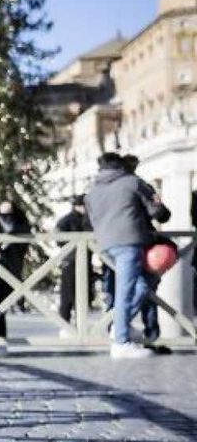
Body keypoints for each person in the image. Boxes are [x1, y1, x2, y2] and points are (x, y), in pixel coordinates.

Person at [85, 152, 170, 359]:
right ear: (121, 166)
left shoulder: (92, 191)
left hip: (105, 245)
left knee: (140, 285)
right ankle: (121, 342)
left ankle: (120, 326)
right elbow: (158, 213)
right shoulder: (133, 182)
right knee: (127, 290)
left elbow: (91, 220)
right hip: (129, 242)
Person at [0, 200, 31, 355]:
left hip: (10, 273)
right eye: (1, 214)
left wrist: (4, 241)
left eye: (8, 214)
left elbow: (23, 239)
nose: (4, 218)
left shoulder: (21, 227)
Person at [54, 195, 93, 334]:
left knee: (82, 295)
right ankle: (65, 324)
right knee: (68, 294)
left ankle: (80, 325)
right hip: (70, 261)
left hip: (84, 260)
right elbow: (58, 239)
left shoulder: (88, 219)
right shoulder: (67, 220)